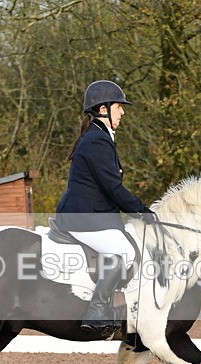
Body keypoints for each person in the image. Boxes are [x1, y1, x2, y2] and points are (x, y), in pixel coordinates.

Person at [56, 80, 156, 335]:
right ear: (103, 108)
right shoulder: (97, 141)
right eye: (118, 107)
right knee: (124, 251)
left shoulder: (99, 137)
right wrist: (143, 211)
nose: (122, 112)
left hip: (92, 215)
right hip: (83, 217)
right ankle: (97, 310)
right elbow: (114, 189)